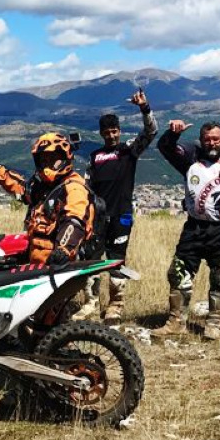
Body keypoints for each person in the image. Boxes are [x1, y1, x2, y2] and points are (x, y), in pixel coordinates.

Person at [156, 120, 220, 339]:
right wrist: (173, 134)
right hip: (194, 227)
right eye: (207, 139)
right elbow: (164, 147)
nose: (211, 143)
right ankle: (176, 322)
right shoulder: (190, 158)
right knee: (177, 272)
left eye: (216, 139)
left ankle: (214, 323)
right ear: (201, 140)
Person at [83, 89, 158, 323]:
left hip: (122, 215)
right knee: (92, 261)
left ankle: (115, 305)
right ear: (101, 133)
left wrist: (144, 108)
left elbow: (151, 132)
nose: (111, 136)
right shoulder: (94, 156)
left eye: (114, 131)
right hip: (97, 218)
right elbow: (86, 187)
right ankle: (91, 303)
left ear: (120, 131)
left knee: (116, 260)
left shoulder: (129, 150)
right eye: (107, 132)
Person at [0, 132, 94, 267]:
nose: (47, 165)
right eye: (43, 160)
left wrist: (63, 250)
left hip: (62, 265)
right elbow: (20, 189)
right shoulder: (42, 186)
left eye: (53, 159)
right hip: (38, 263)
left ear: (65, 157)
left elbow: (74, 221)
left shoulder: (74, 188)